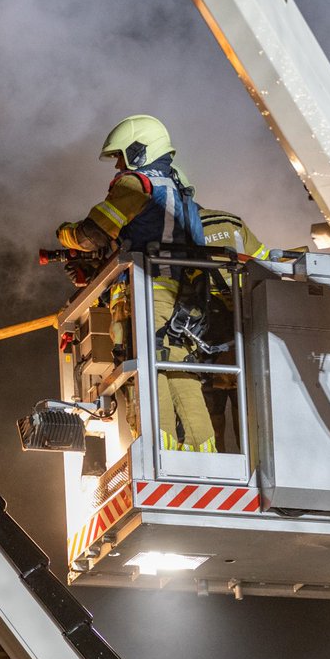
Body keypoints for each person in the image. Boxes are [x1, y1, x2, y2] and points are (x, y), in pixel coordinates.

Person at [55, 115, 216, 453]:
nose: (117, 164)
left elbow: (92, 234)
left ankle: (161, 453)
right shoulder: (177, 185)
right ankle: (202, 454)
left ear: (138, 150)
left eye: (120, 155)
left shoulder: (136, 185)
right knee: (176, 369)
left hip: (150, 293)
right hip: (183, 294)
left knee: (147, 373)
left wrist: (65, 233)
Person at [197, 208, 268, 452]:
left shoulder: (182, 226)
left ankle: (218, 464)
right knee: (247, 408)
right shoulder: (231, 220)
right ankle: (252, 462)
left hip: (209, 319)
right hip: (244, 308)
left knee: (213, 411)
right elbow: (262, 257)